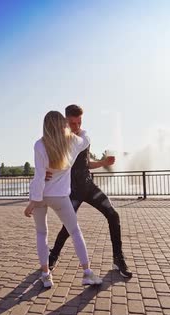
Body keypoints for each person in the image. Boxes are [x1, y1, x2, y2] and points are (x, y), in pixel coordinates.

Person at [47, 104, 133, 278]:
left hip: (88, 187)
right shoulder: (60, 140)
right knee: (68, 226)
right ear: (65, 121)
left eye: (79, 122)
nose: (76, 126)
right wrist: (46, 171)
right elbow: (53, 162)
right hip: (73, 191)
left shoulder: (84, 136)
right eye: (72, 123)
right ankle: (53, 256)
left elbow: (86, 163)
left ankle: (118, 258)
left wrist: (103, 163)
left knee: (113, 215)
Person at [24, 110, 103, 288]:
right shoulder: (74, 142)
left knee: (41, 233)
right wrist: (79, 130)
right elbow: (86, 138)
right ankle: (87, 273)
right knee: (75, 232)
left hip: (41, 196)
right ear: (64, 124)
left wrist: (33, 202)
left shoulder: (39, 145)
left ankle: (46, 275)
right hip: (60, 196)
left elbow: (39, 177)